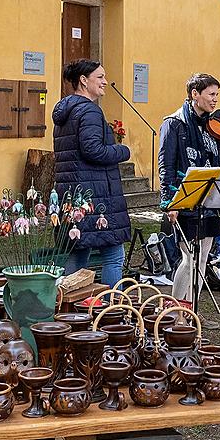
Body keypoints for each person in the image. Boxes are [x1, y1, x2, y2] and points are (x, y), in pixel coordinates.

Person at [158, 73, 220, 303]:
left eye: (217, 95)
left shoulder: (212, 128)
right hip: (184, 200)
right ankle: (176, 310)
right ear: (195, 94)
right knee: (188, 258)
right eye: (211, 94)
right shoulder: (174, 124)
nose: (215, 100)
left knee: (203, 257)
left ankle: (192, 309)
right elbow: (166, 165)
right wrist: (169, 203)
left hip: (208, 201)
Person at [52, 59, 131, 287]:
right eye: (100, 77)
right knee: (113, 257)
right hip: (96, 197)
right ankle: (111, 311)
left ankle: (67, 308)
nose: (105, 82)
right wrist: (122, 150)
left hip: (72, 194)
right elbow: (92, 150)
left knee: (78, 254)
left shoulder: (66, 112)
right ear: (84, 81)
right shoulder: (89, 111)